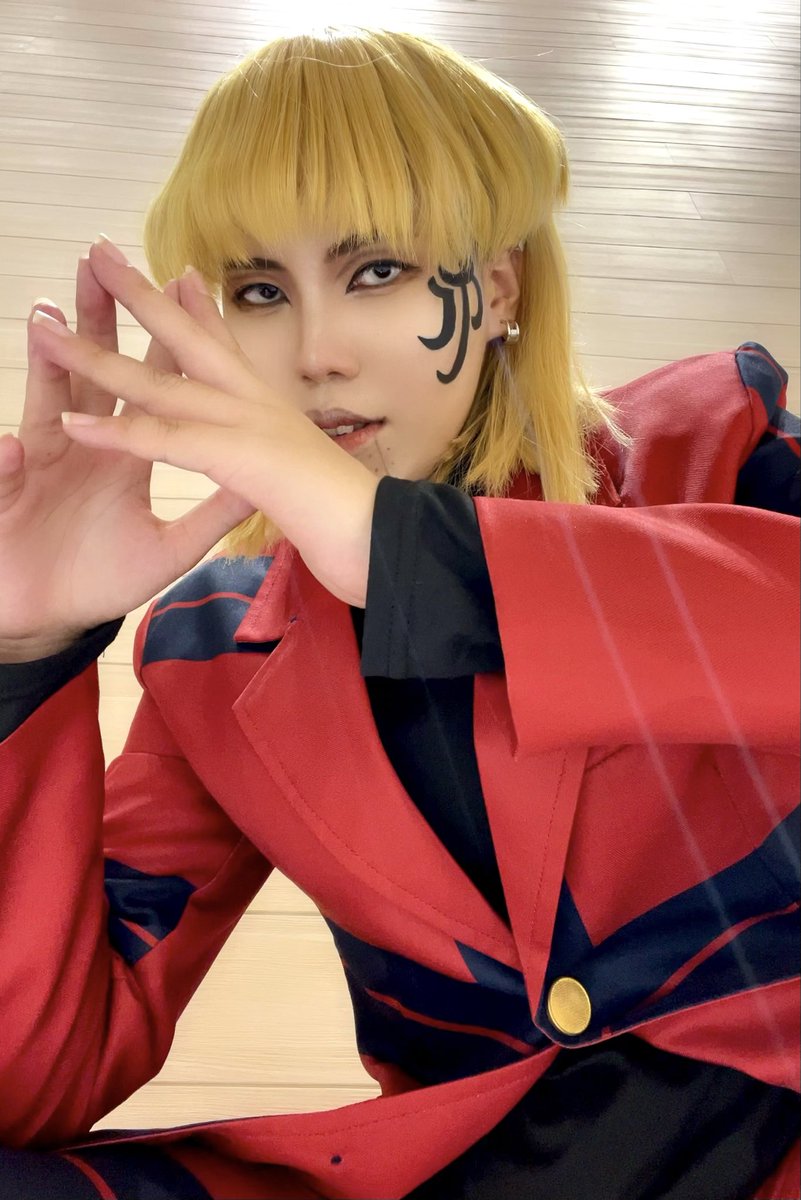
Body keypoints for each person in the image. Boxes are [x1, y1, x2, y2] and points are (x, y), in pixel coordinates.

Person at [0, 24, 798, 1200]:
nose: (315, 353)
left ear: (501, 285)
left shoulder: (714, 449)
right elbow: (36, 1084)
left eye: (376, 271)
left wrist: (404, 551)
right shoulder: (212, 658)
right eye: (259, 291)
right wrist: (25, 653)